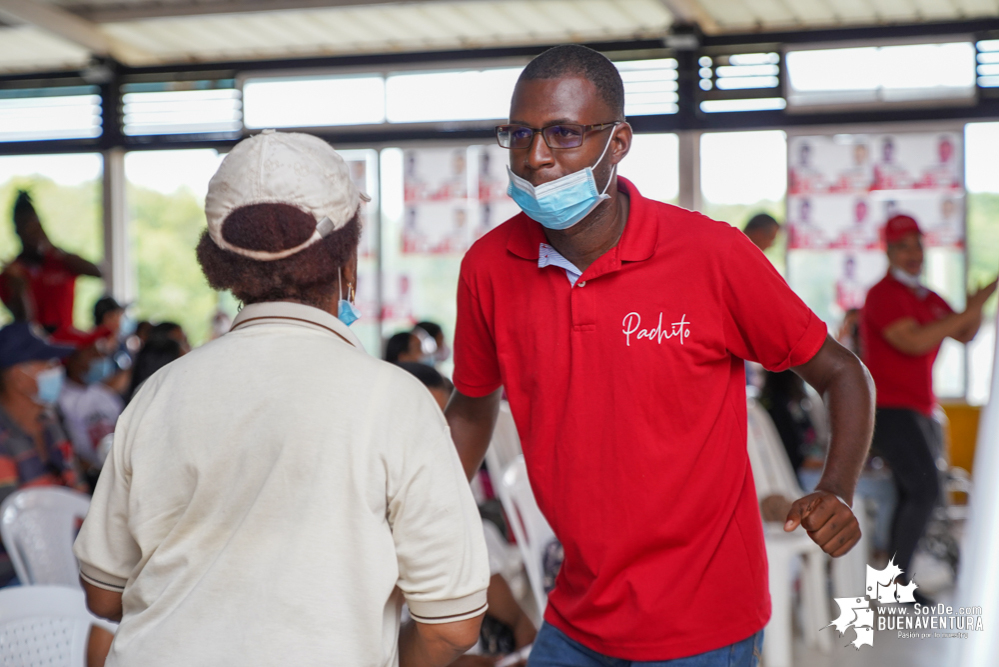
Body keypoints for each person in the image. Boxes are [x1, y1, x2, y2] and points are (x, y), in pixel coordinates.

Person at [446, 44, 874, 665]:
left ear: (618, 142)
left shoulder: (711, 257)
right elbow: (472, 405)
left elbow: (841, 371)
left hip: (705, 627)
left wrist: (836, 488)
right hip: (575, 615)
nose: (536, 157)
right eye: (520, 134)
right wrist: (423, 515)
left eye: (563, 134)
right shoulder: (487, 267)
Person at [73, 131, 489, 667]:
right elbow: (452, 626)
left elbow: (104, 594)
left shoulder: (160, 393)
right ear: (350, 264)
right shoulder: (395, 401)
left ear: (224, 266)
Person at [860, 214, 996, 599]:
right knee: (923, 490)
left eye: (918, 245)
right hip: (888, 410)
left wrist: (976, 305)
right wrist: (964, 314)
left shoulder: (925, 296)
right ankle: (898, 582)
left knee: (913, 492)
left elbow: (966, 333)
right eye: (904, 246)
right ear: (888, 252)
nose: (913, 254)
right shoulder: (882, 295)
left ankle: (896, 577)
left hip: (920, 409)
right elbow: (915, 342)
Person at [0, 191, 102, 332]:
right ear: (17, 230)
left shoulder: (61, 260)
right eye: (25, 227)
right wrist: (19, 288)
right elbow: (22, 319)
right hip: (34, 348)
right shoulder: (12, 272)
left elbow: (98, 272)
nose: (31, 233)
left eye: (35, 226)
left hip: (66, 344)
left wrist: (52, 247)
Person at [56, 330, 123, 488]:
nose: (101, 358)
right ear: (72, 359)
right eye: (92, 353)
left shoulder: (104, 394)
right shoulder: (60, 401)